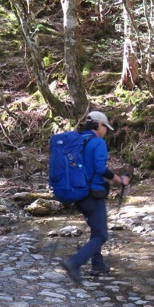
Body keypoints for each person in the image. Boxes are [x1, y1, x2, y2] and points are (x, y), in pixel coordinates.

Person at [60, 110, 130, 284]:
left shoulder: (78, 141)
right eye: (105, 127)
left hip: (78, 193)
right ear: (99, 125)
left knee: (96, 229)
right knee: (101, 235)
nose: (106, 131)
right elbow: (100, 168)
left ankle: (98, 265)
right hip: (93, 193)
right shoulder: (97, 142)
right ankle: (74, 263)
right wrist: (119, 179)